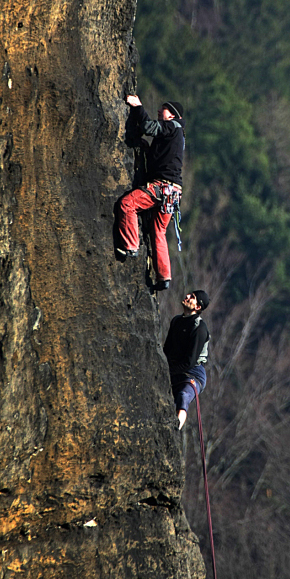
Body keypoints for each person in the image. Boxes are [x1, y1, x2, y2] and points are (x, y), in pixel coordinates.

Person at [116, 94, 185, 290]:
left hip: (161, 187)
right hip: (173, 192)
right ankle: (164, 277)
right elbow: (159, 156)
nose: (159, 111)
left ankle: (131, 246)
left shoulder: (172, 127)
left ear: (172, 115)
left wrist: (138, 107)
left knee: (127, 204)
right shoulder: (177, 135)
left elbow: (149, 127)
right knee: (159, 231)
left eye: (163, 109)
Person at [163, 290, 211, 429]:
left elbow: (190, 361)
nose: (187, 296)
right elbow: (167, 348)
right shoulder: (177, 321)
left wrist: (168, 371)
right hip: (175, 368)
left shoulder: (199, 328)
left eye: (192, 297)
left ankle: (175, 428)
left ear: (198, 307)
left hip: (193, 373)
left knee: (183, 395)